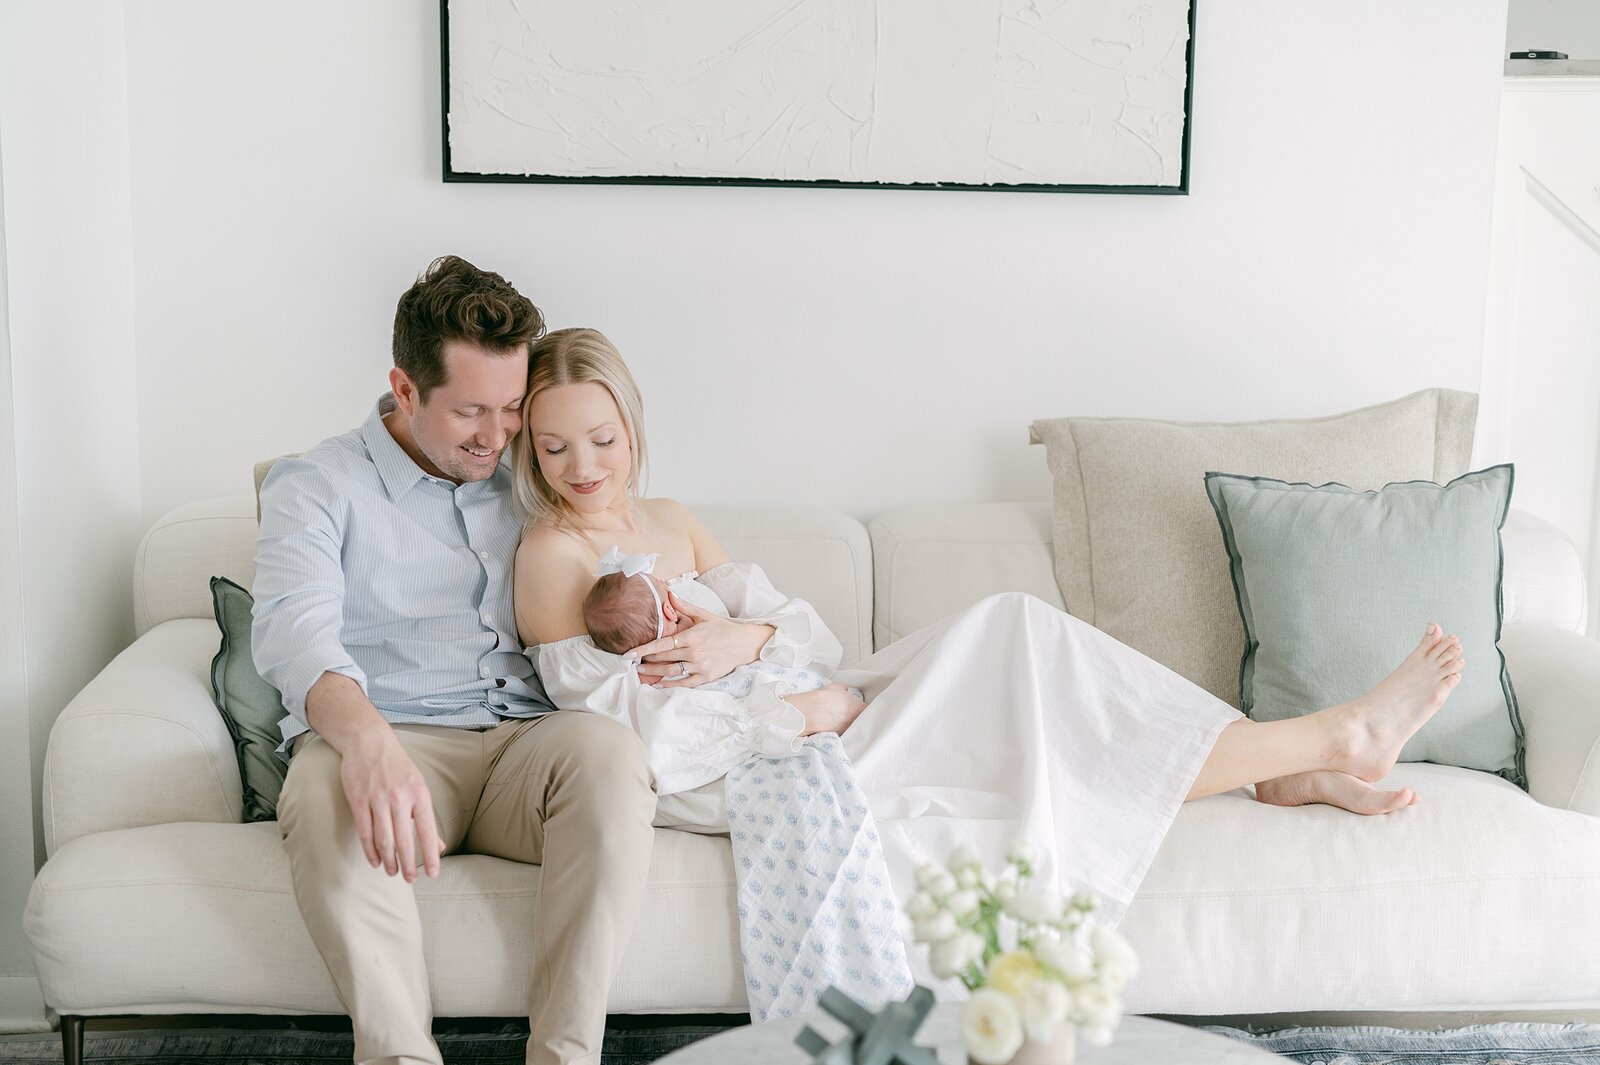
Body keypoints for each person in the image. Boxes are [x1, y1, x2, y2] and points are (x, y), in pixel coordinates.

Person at [509, 327, 1464, 981]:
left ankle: (1286, 759)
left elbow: (809, 632)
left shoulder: (671, 520)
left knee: (1015, 627)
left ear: (632, 421)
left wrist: (747, 632)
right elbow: (633, 736)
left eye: (602, 437)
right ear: (530, 454)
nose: (585, 469)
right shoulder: (557, 555)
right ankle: (1326, 739)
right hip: (765, 752)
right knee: (1024, 678)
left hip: (820, 693)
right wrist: (798, 712)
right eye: (554, 451)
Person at [253, 259, 656, 1065]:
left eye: (511, 408)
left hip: (526, 745)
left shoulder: (535, 468)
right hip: (394, 731)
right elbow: (294, 630)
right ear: (404, 389)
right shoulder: (318, 484)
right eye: (470, 411)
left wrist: (737, 632)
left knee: (610, 754)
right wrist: (367, 744)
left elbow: (647, 560)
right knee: (326, 779)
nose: (498, 435)